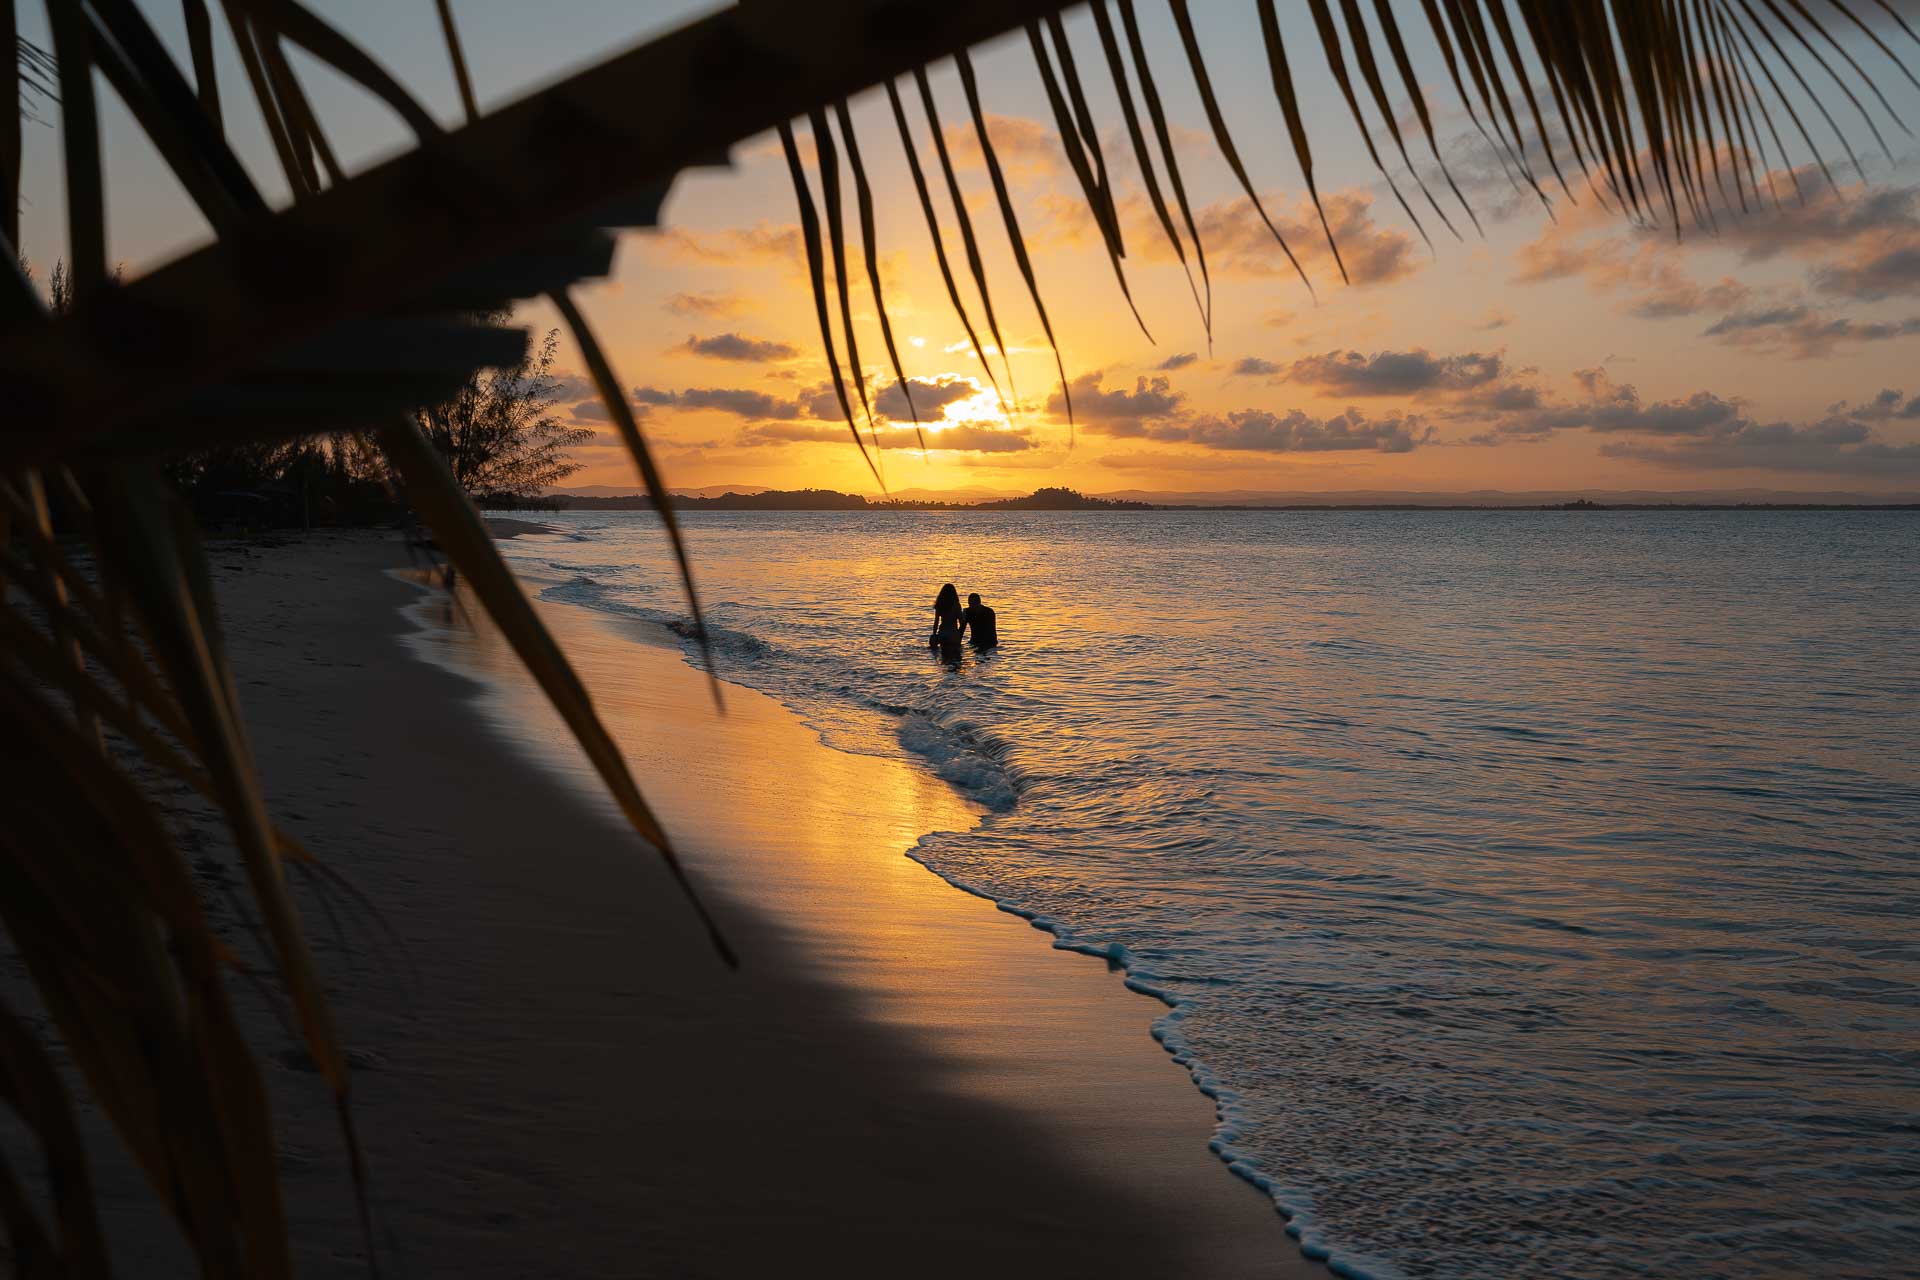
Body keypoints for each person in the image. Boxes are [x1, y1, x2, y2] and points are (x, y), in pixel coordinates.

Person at [931, 583, 963, 658]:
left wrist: (934, 635)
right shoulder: (956, 605)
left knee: (944, 657)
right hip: (953, 634)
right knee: (955, 658)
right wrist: (959, 634)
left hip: (942, 633)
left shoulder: (940, 604)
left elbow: (936, 622)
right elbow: (961, 621)